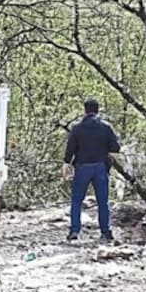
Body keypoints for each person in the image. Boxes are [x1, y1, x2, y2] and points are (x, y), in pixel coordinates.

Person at [62, 98, 121, 242]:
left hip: (82, 167)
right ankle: (106, 232)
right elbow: (115, 148)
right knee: (103, 202)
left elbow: (70, 149)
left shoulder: (77, 128)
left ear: (84, 110)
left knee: (76, 200)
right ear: (98, 110)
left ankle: (74, 230)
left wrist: (66, 163)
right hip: (100, 166)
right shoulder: (106, 127)